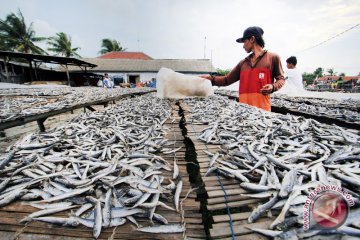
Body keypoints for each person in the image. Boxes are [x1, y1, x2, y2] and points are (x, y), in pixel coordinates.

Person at [202, 26, 285, 111]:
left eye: (244, 41)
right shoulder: (243, 63)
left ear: (252, 39)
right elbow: (227, 80)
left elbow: (281, 79)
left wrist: (273, 86)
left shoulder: (273, 58)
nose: (243, 46)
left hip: (263, 113)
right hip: (243, 112)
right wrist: (210, 80)